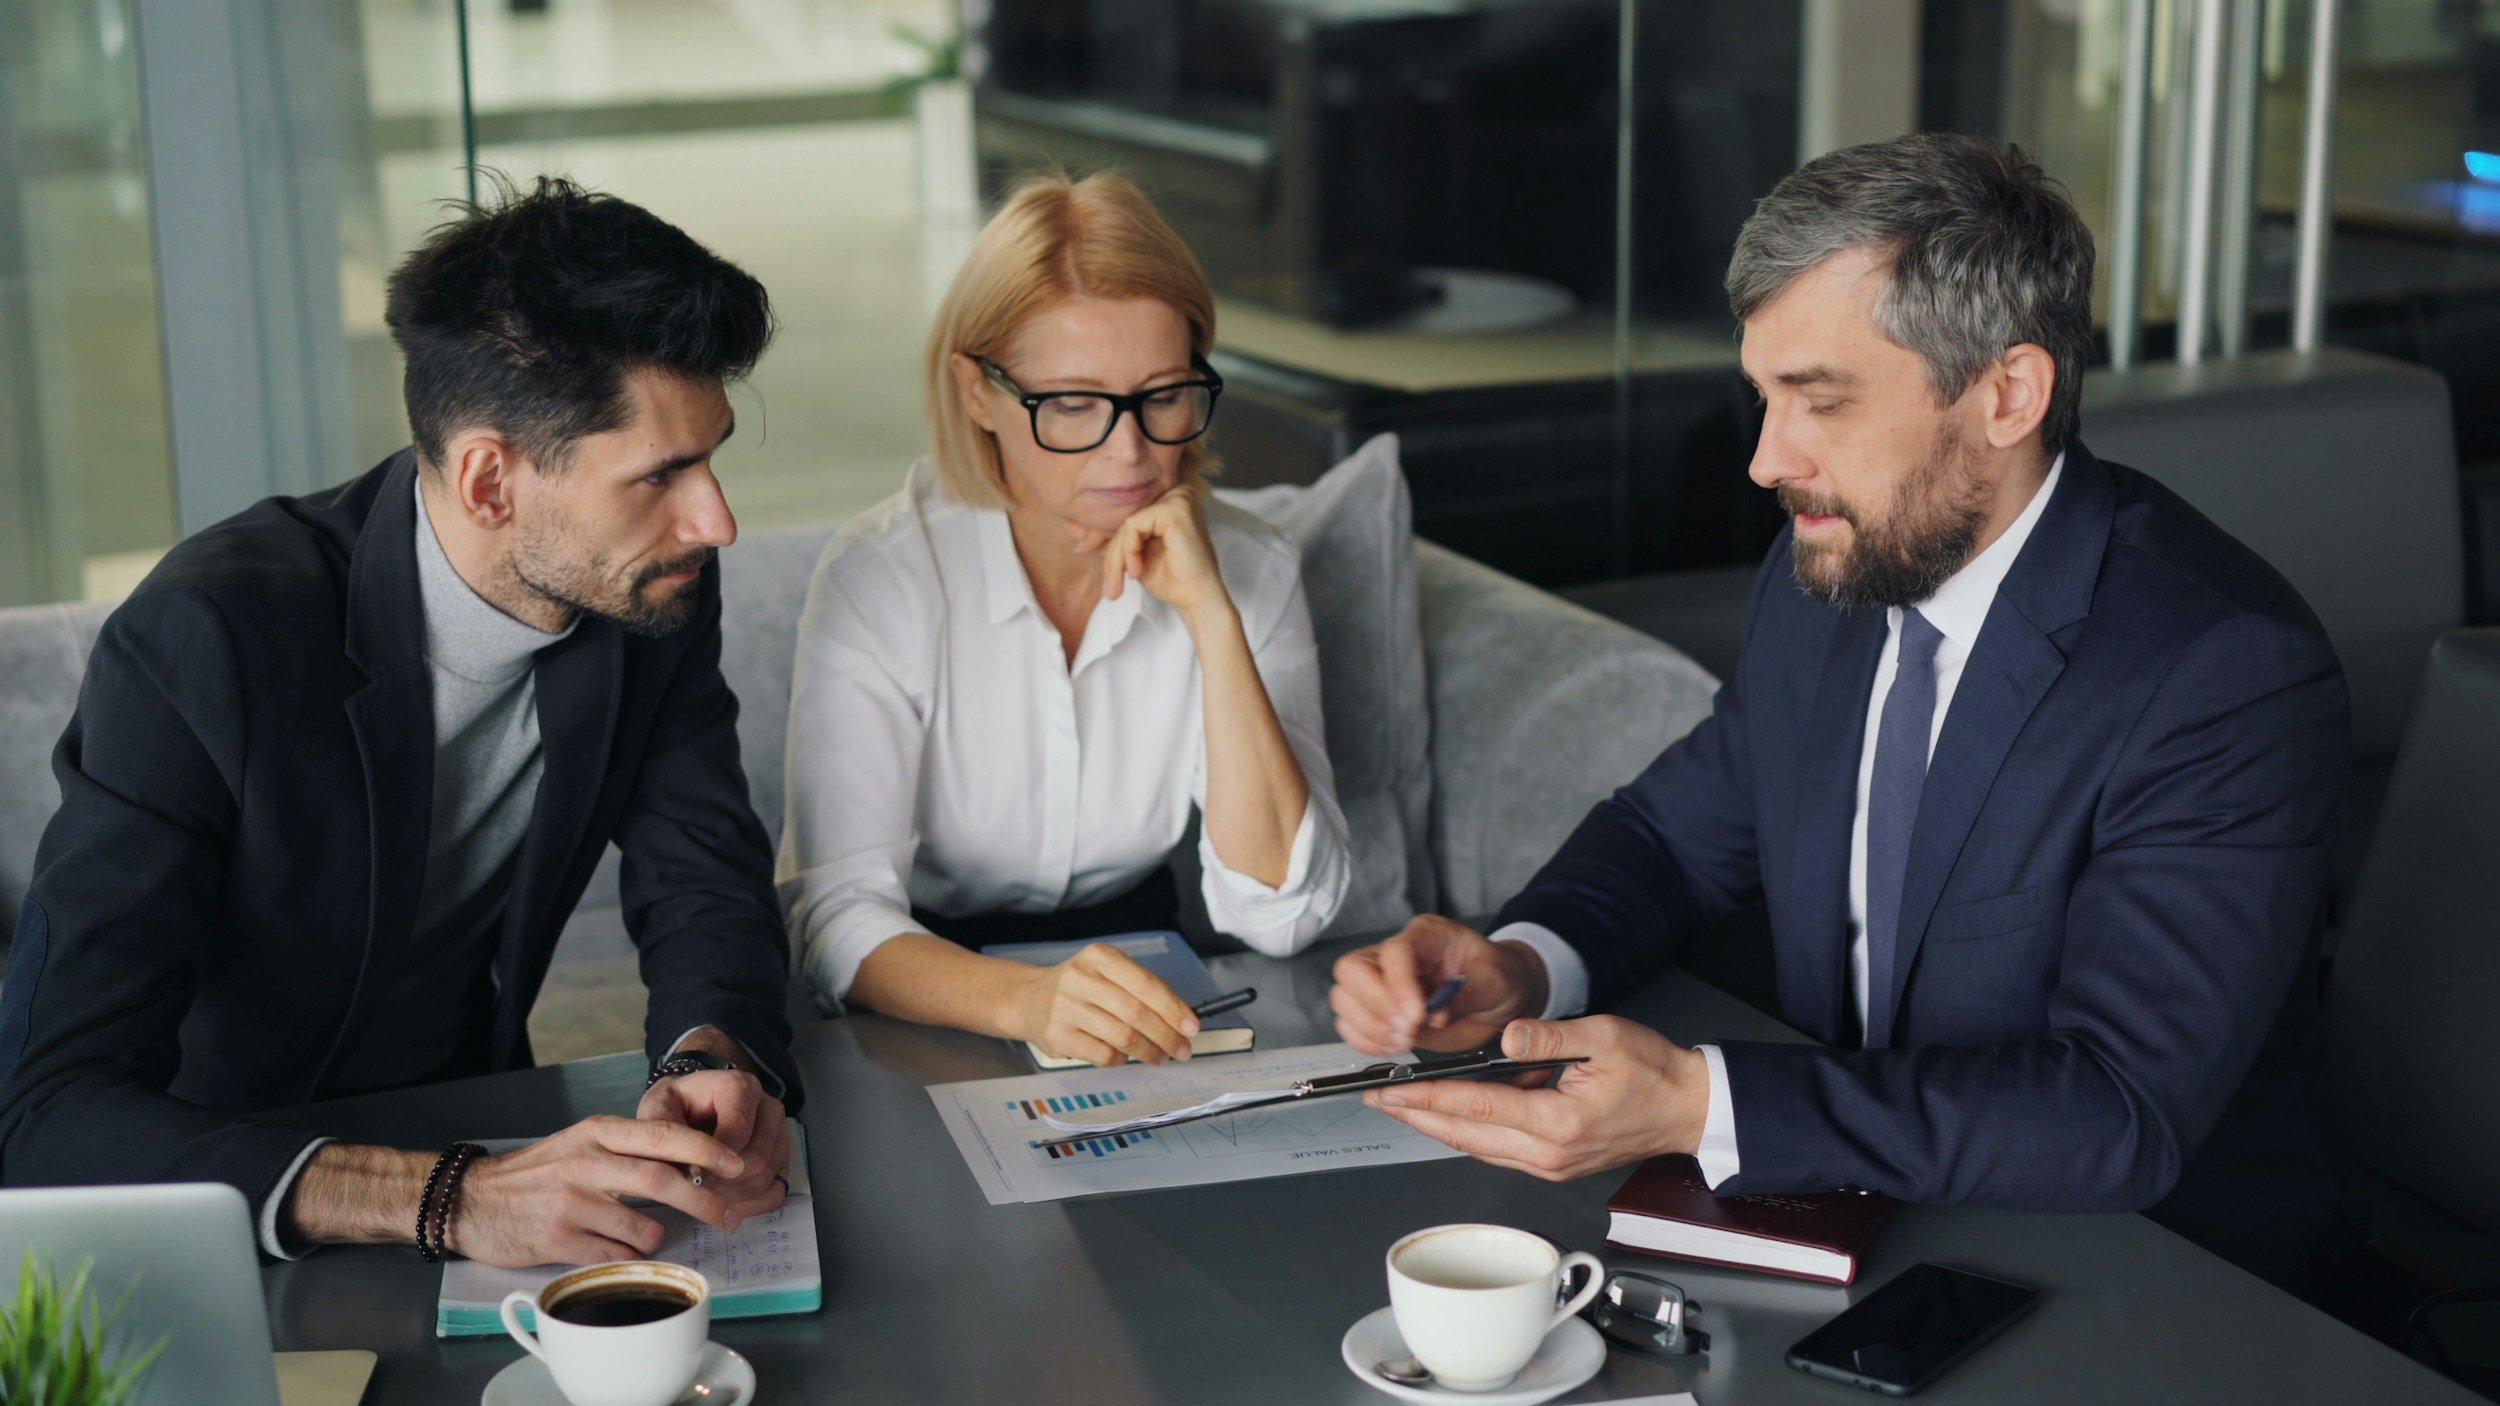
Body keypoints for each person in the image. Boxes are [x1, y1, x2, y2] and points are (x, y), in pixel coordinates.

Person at [1327, 133, 2349, 1286]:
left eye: (1818, 401)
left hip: (2147, 1274)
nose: (1766, 459)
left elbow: (2118, 1108)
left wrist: (1698, 1103)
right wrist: (1520, 964)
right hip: (1856, 1217)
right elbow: (1675, 835)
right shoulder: (1834, 575)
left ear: (2007, 392)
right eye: (1762, 397)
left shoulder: (2221, 670)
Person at [0, 177, 802, 1268]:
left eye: (712, 454)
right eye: (661, 473)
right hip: (225, 1191)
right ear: (486, 480)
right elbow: (46, 1110)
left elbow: (702, 872)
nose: (716, 518)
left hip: (481, 1129)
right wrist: (448, 1197)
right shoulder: (205, 637)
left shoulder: (650, 585)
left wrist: (705, 1056)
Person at [778, 171, 1351, 1067]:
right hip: (922, 987)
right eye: (1074, 405)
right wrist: (1029, 1001)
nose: (1131, 453)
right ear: (979, 393)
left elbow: (1279, 915)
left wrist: (1213, 620)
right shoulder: (881, 579)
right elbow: (836, 917)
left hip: (1151, 972)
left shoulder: (1250, 565)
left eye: (1162, 394)